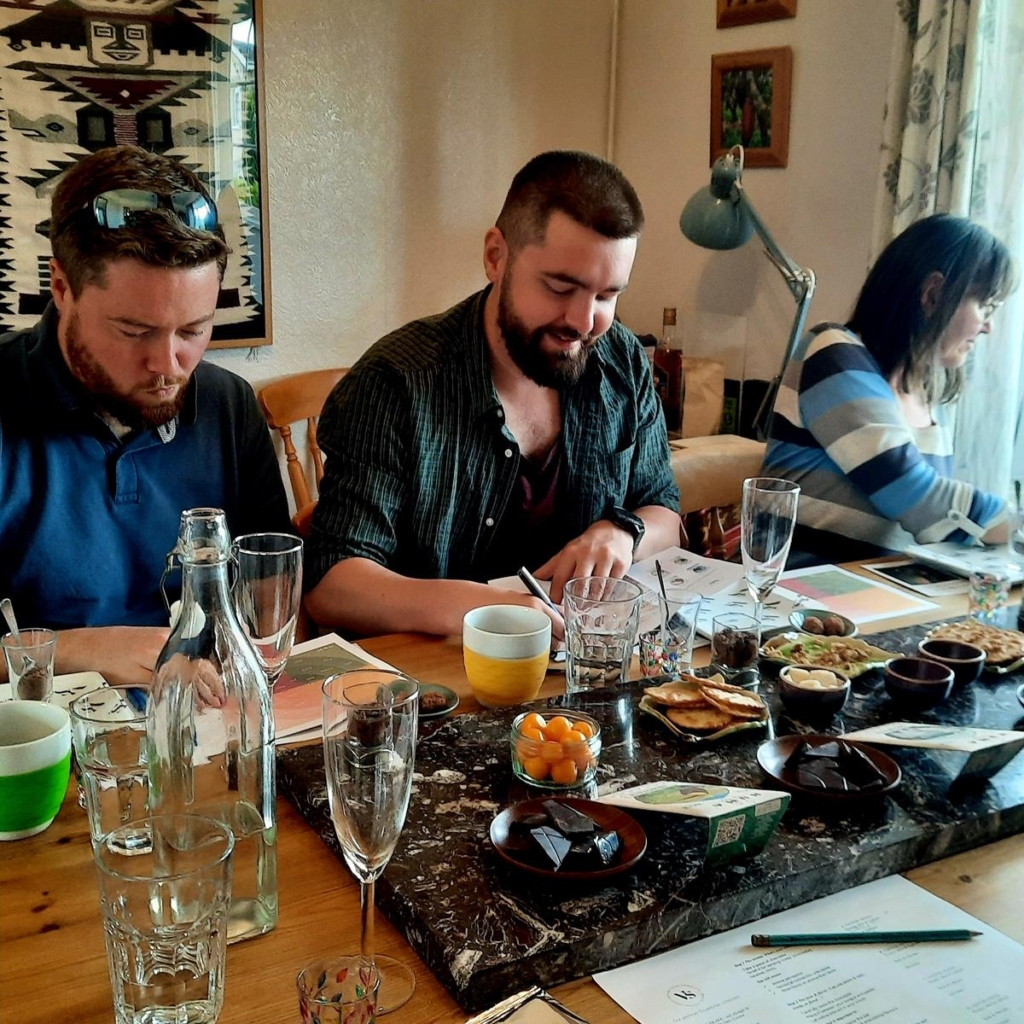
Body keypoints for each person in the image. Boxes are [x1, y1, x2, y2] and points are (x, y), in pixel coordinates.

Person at [306, 150, 680, 636]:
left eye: (607, 296)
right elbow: (332, 584)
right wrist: (481, 608)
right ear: (495, 257)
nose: (584, 323)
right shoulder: (395, 382)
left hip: (582, 678)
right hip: (436, 686)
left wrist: (619, 534)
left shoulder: (621, 361)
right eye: (560, 287)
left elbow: (664, 512)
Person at [0, 146, 290, 685]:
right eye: (134, 332)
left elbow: (268, 587)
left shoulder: (227, 405)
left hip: (204, 719)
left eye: (194, 330)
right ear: (61, 288)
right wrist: (84, 649)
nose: (169, 365)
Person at [761, 213, 1014, 563]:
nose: (988, 327)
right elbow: (919, 497)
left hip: (880, 595)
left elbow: (938, 528)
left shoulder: (926, 393)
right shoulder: (833, 354)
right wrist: (1013, 525)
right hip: (798, 593)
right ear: (933, 294)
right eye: (985, 306)